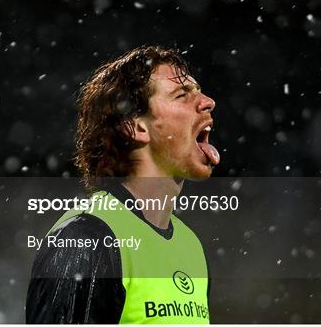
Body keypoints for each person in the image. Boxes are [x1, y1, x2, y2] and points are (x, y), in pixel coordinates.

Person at [26, 46, 220, 324]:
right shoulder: (85, 239)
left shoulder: (190, 246)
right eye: (181, 95)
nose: (207, 101)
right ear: (136, 127)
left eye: (198, 91)